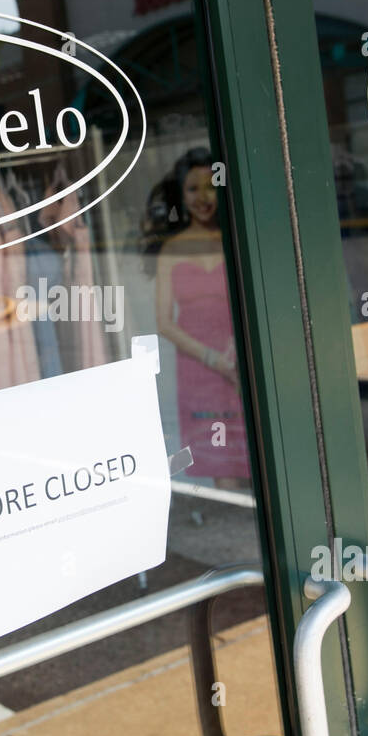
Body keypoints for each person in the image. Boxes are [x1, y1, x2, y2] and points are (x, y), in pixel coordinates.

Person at [153, 149, 251, 489]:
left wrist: (236, 348)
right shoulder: (171, 250)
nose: (203, 197)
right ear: (181, 192)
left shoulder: (238, 239)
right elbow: (163, 322)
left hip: (242, 358)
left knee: (261, 452)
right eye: (193, 188)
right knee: (222, 462)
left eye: (211, 186)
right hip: (200, 369)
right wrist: (212, 358)